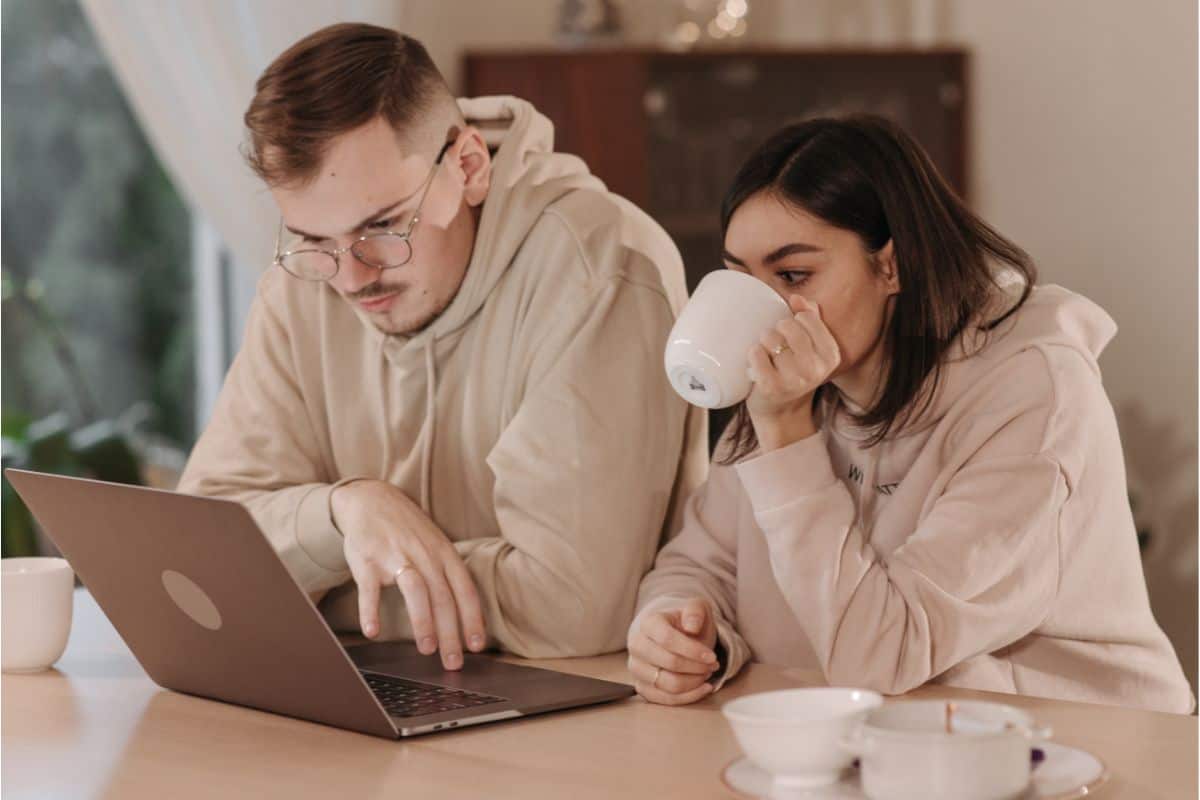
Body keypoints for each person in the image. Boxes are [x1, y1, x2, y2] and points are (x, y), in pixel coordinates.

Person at [178, 23, 707, 670]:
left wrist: (323, 581)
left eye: (382, 225)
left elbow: (573, 608)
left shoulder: (601, 270)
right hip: (373, 694)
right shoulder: (304, 283)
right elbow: (199, 554)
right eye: (314, 238)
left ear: (468, 166)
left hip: (580, 716)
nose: (351, 277)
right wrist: (348, 513)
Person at [627, 115, 1194, 713]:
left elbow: (883, 654)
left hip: (1073, 748)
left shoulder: (1032, 395)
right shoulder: (788, 383)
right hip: (866, 739)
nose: (765, 308)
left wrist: (787, 436)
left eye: (794, 275)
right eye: (741, 277)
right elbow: (702, 562)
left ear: (891, 265)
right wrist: (679, 631)